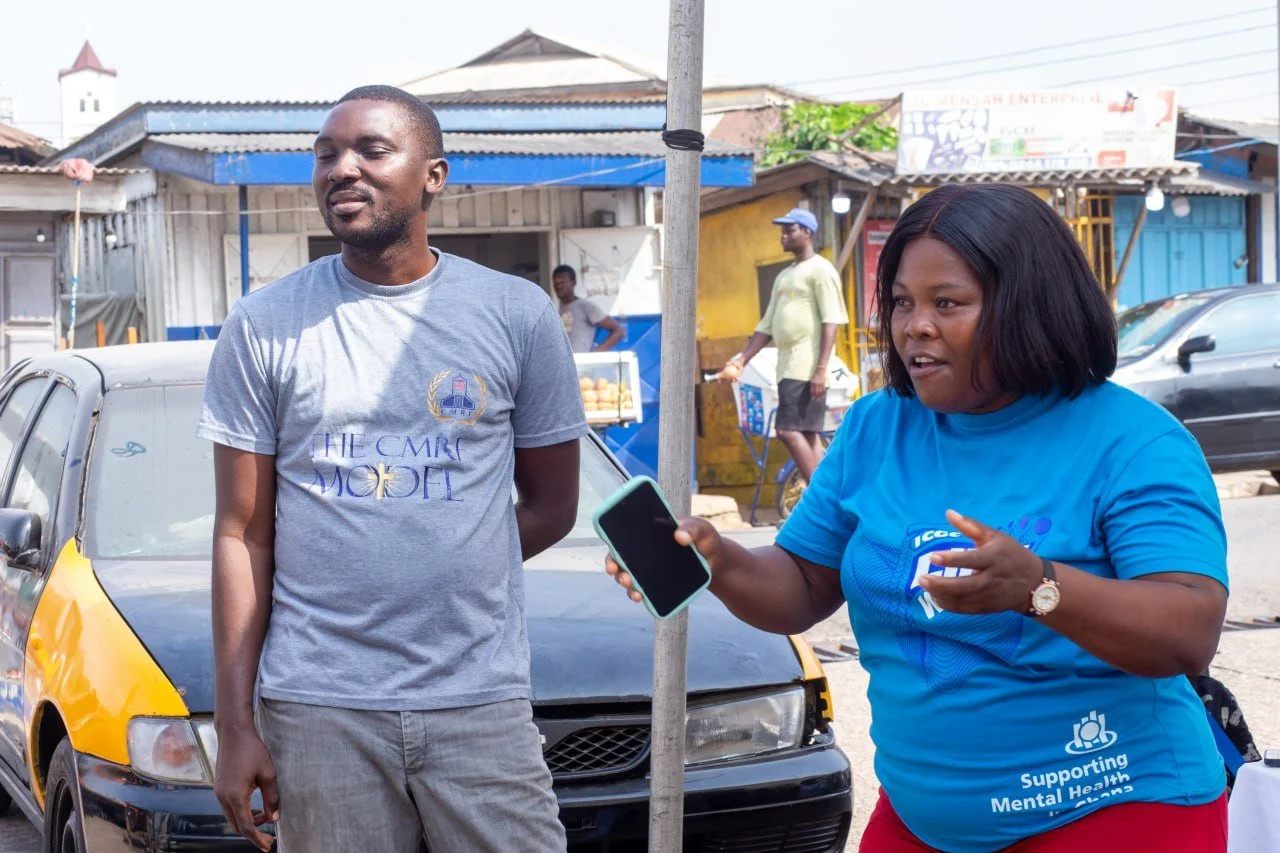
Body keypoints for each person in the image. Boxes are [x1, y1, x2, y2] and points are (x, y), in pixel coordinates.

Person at [613, 184, 1230, 852]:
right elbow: (801, 583)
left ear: (1030, 306)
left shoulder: (1133, 440)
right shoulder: (879, 426)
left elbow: (1188, 629)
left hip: (1113, 807)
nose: (915, 326)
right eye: (902, 302)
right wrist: (721, 559)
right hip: (921, 820)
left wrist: (1039, 587)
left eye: (948, 303)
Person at [199, 85, 585, 853]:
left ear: (433, 175)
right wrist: (236, 724)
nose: (343, 168)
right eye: (326, 154)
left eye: (372, 150)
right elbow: (242, 534)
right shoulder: (265, 325)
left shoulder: (516, 315)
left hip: (479, 701)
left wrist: (448, 555)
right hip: (320, 710)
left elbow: (551, 504)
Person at [723, 207, 848, 483]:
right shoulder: (785, 276)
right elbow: (765, 326)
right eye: (782, 230)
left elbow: (832, 320)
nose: (783, 236)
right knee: (807, 434)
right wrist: (742, 359)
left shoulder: (821, 271)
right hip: (787, 367)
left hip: (807, 367)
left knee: (787, 430)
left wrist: (821, 369)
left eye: (789, 230)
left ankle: (818, 497)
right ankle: (828, 494)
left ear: (807, 233)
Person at [553, 264, 624, 352]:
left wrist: (594, 354)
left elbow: (619, 331)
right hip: (564, 364)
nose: (559, 286)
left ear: (573, 282)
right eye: (556, 283)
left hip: (581, 364)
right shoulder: (554, 311)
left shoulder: (585, 306)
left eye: (562, 282)